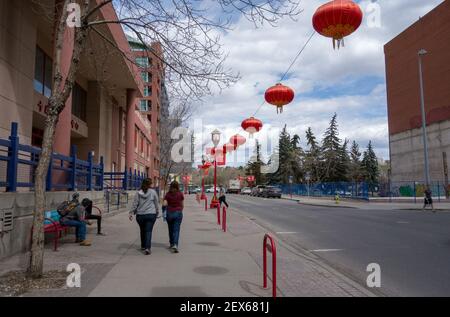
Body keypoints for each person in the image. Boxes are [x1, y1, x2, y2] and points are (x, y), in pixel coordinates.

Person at [129, 179, 160, 255]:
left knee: (142, 230)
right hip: (151, 214)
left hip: (140, 215)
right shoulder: (153, 192)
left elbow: (135, 204)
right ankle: (147, 248)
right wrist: (157, 211)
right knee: (148, 231)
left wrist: (131, 213)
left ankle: (143, 246)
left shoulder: (138, 193)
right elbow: (156, 202)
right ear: (150, 184)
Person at [164, 181, 184, 253]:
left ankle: (171, 243)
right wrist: (180, 210)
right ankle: (175, 244)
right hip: (178, 213)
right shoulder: (180, 194)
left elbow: (164, 204)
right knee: (176, 230)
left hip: (169, 213)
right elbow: (182, 204)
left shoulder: (168, 194)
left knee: (170, 229)